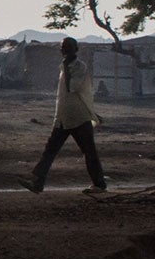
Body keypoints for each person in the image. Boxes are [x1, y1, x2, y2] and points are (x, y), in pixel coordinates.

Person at [24, 36, 106, 194]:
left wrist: (67, 67)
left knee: (89, 152)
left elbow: (72, 88)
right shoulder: (63, 67)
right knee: (50, 150)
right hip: (63, 117)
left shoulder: (79, 67)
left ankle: (99, 184)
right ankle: (37, 181)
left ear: (75, 50)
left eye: (67, 48)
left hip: (79, 117)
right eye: (63, 48)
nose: (64, 51)